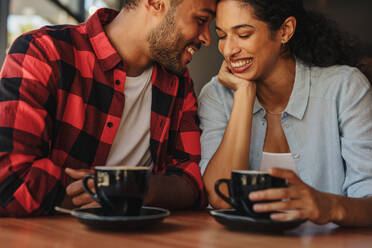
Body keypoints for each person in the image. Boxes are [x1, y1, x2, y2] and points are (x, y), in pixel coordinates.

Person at [0, 0, 216, 217]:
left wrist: (138, 188)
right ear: (156, 3)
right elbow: (10, 181)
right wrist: (109, 191)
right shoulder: (43, 52)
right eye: (201, 20)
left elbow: (193, 181)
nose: (207, 38)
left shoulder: (178, 82)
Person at [198, 0, 372, 226]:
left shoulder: (345, 88)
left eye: (243, 34)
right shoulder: (217, 95)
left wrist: (327, 205)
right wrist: (243, 95)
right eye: (222, 36)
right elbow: (220, 199)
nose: (228, 50)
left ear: (285, 31)